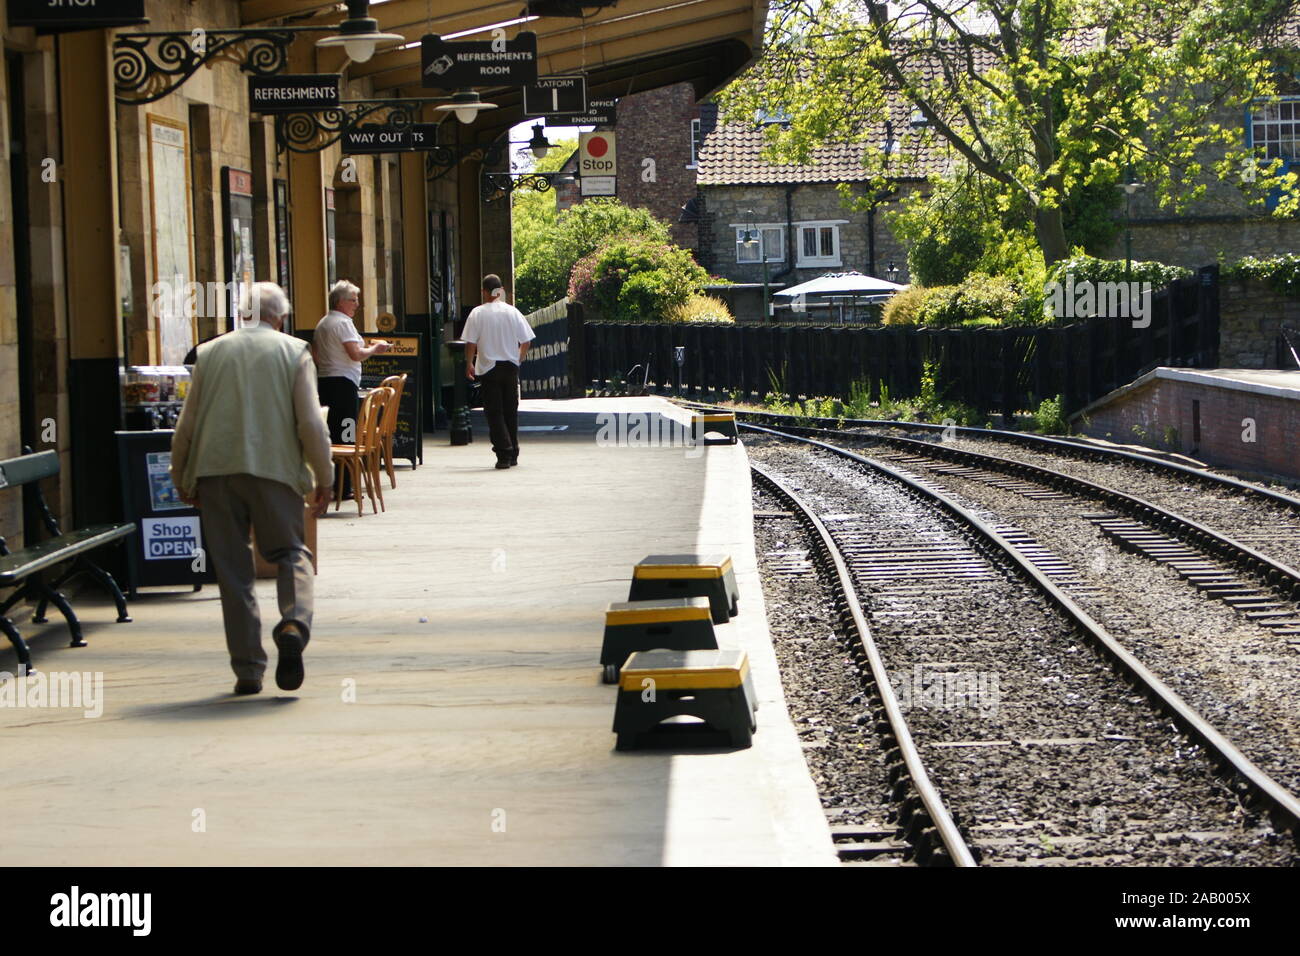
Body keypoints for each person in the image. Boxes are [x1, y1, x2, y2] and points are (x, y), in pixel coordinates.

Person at [171, 282, 334, 696]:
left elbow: (185, 427)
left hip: (215, 472)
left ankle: (247, 670)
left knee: (233, 573)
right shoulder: (293, 351)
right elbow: (311, 423)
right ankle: (294, 622)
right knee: (291, 553)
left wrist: (181, 476)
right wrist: (324, 476)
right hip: (273, 471)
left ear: (243, 315)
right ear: (280, 317)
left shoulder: (209, 353)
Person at [313, 280, 389, 494]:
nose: (357, 304)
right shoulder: (343, 323)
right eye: (353, 300)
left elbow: (316, 354)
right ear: (340, 302)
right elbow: (355, 354)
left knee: (330, 433)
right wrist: (375, 348)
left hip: (326, 381)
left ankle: (333, 483)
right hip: (343, 384)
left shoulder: (323, 322)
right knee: (347, 432)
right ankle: (345, 485)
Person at [462, 275, 536, 469]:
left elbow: (471, 342)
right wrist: (518, 358)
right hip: (510, 366)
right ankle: (514, 452)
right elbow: (526, 341)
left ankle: (504, 453)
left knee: (494, 412)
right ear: (500, 290)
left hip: (489, 367)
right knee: (511, 410)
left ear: (484, 292)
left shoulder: (477, 313)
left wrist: (469, 363)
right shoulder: (513, 312)